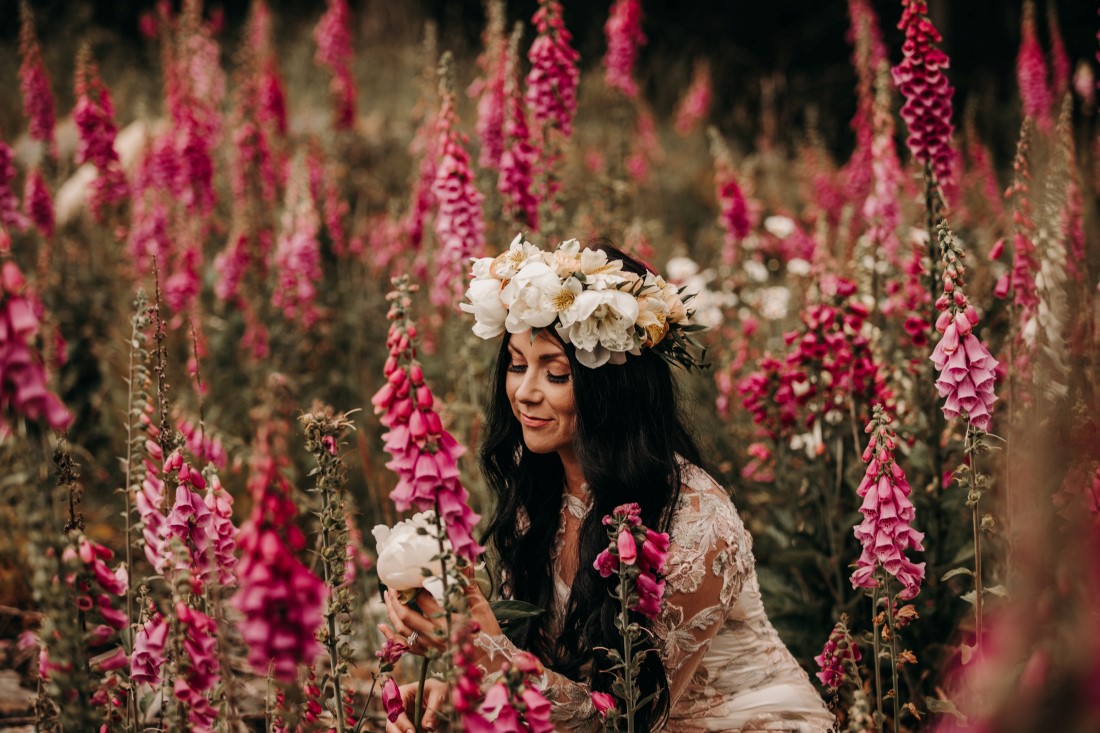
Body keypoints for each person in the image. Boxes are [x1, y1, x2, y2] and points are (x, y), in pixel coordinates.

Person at [381, 237, 832, 732]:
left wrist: (485, 657)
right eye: (516, 365)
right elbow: (550, 673)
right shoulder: (542, 490)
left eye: (555, 374)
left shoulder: (694, 521)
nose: (525, 393)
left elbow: (624, 721)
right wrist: (457, 693)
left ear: (610, 389)